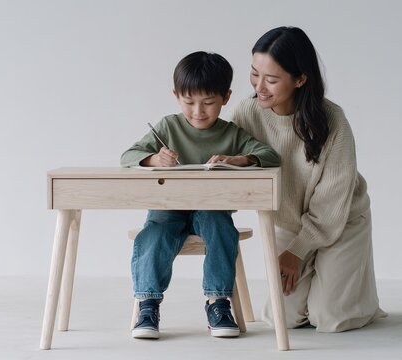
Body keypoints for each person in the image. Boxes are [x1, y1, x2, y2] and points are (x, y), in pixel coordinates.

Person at [228, 26, 387, 332]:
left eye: (271, 80)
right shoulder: (248, 113)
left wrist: (298, 252)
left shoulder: (332, 121)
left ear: (300, 79)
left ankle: (361, 300)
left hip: (340, 221)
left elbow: (331, 204)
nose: (259, 86)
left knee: (329, 318)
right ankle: (318, 277)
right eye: (254, 74)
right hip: (289, 222)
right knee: (281, 318)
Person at [120, 51, 280, 339]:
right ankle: (148, 304)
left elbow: (269, 155)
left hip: (213, 207)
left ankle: (218, 302)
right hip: (168, 208)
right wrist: (155, 159)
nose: (198, 111)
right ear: (176, 96)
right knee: (154, 234)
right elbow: (128, 155)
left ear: (226, 97)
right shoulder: (169, 126)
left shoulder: (231, 133)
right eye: (189, 102)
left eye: (208, 103)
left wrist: (240, 159)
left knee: (221, 229)